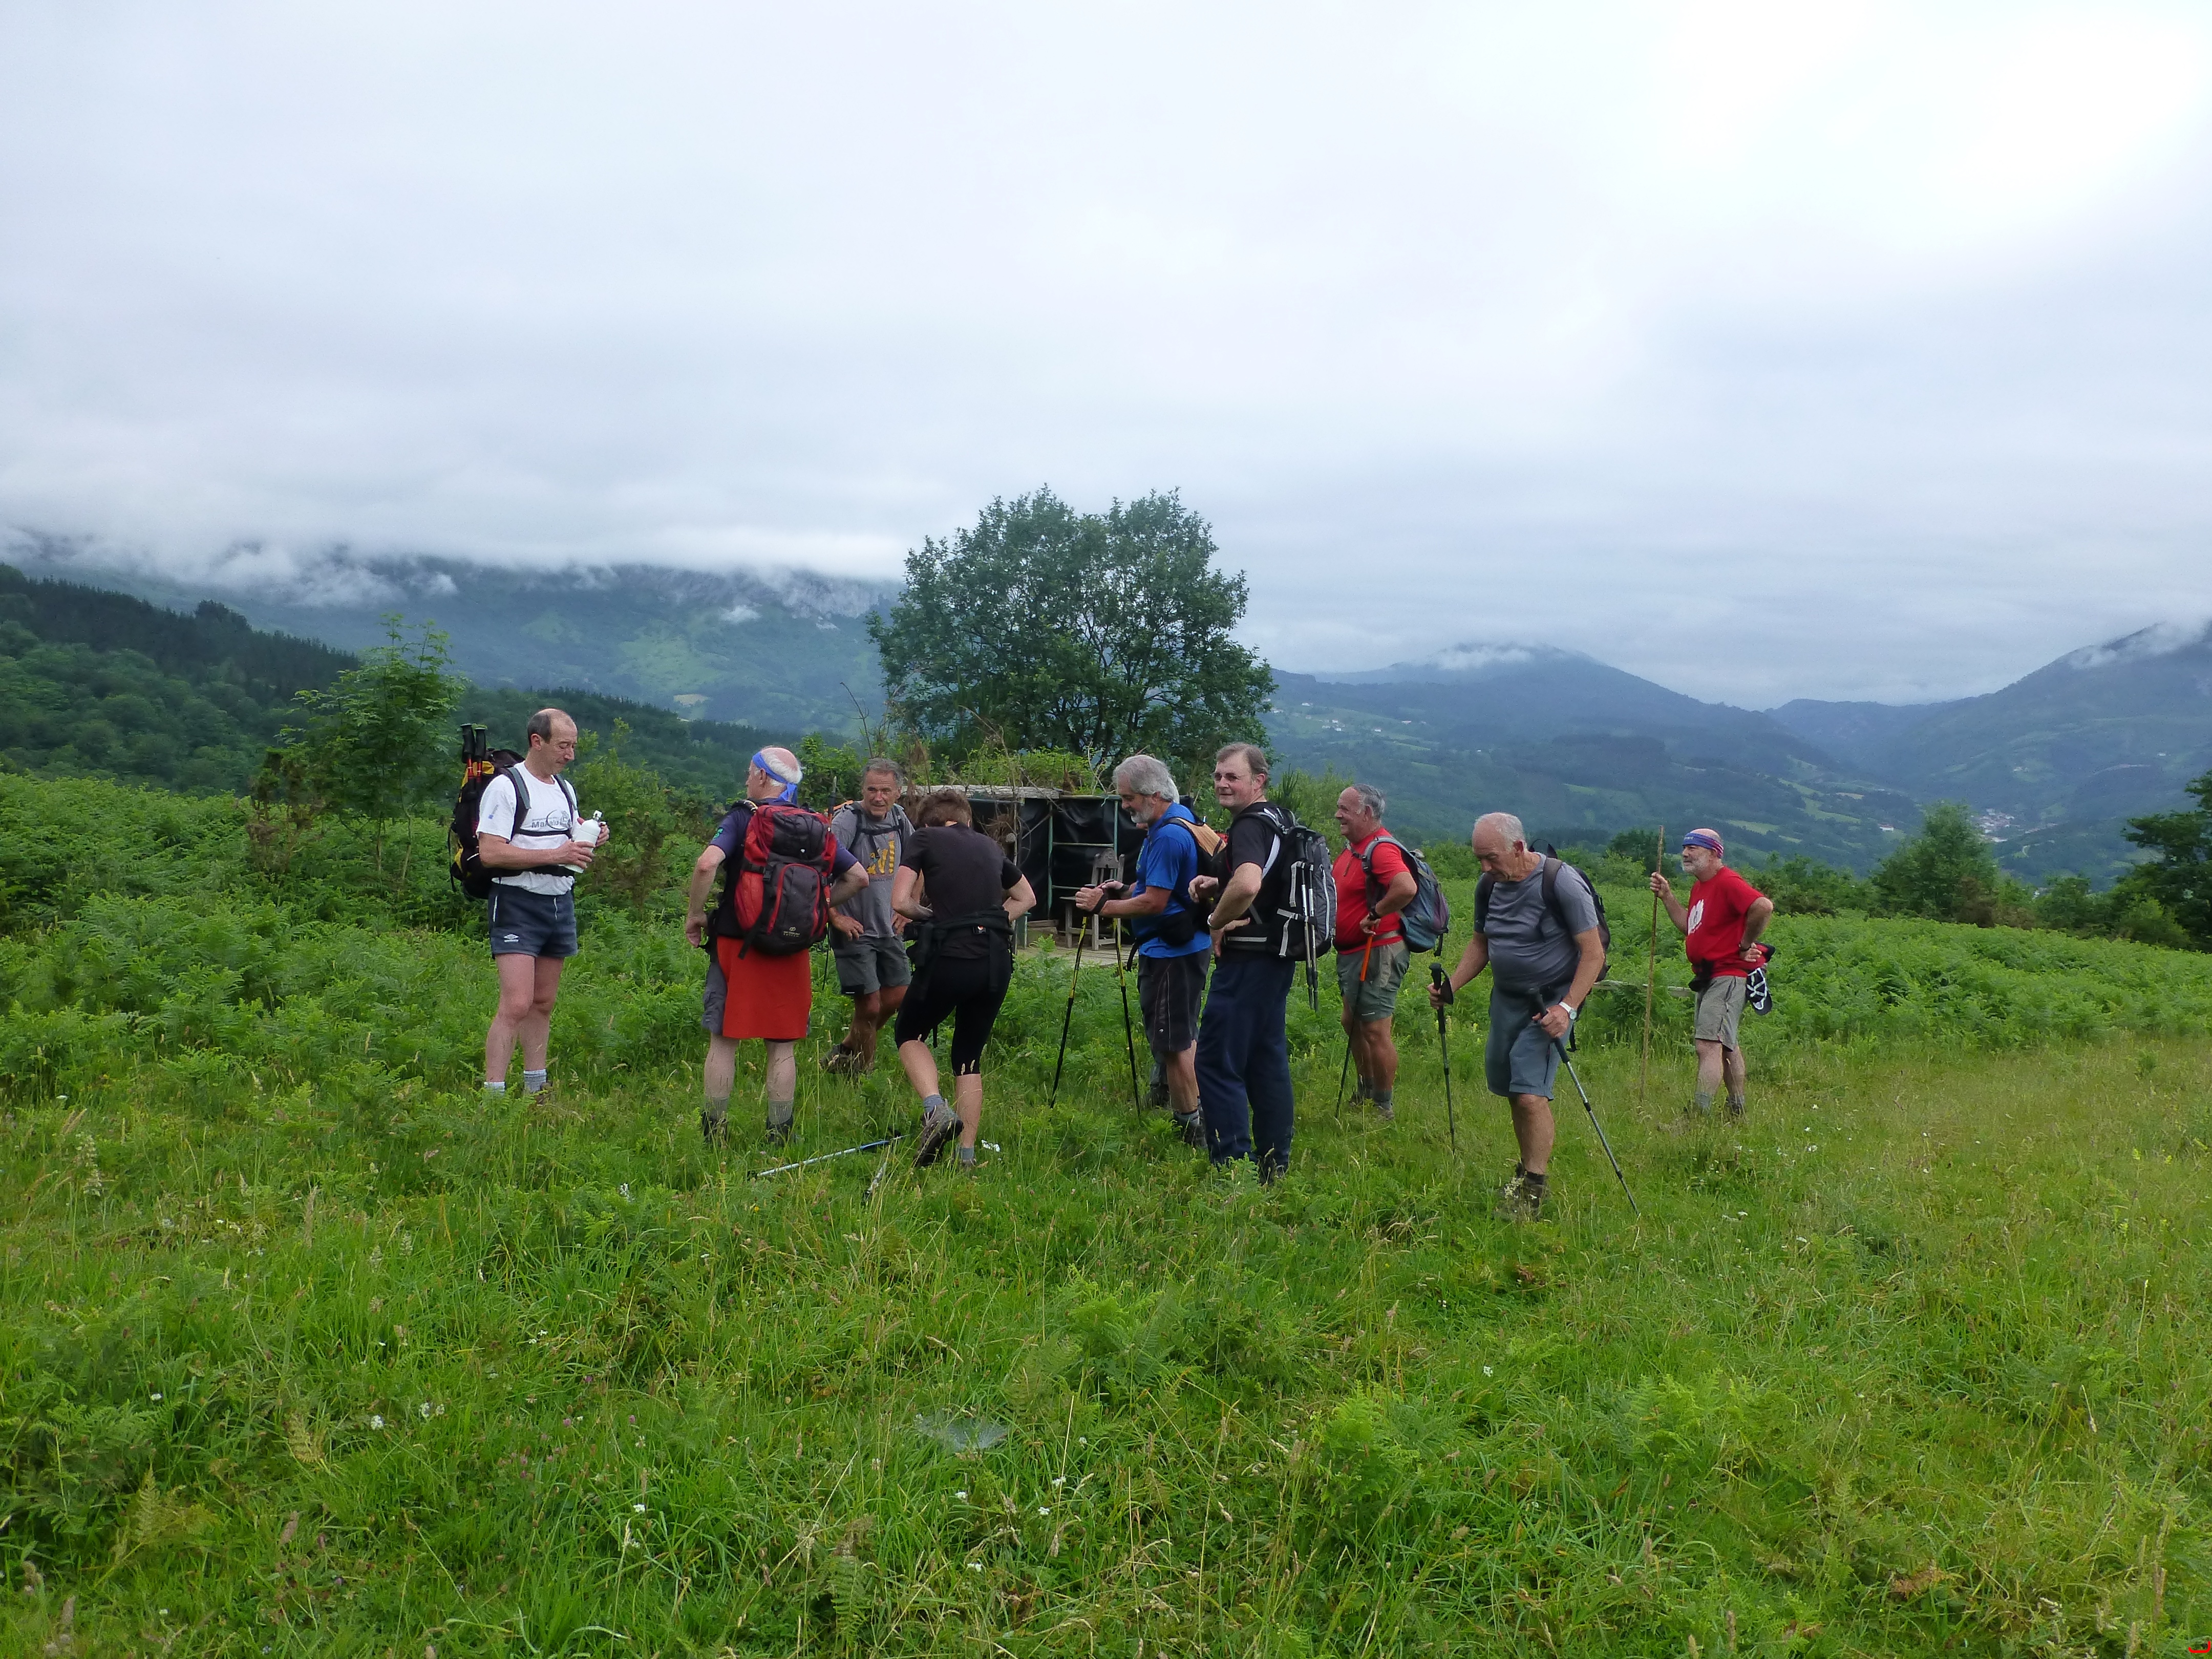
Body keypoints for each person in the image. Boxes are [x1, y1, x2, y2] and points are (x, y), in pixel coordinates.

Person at [685, 748, 869, 1146]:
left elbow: (706, 864)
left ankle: (714, 1133)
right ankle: (780, 1134)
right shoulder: (815, 826)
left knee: (724, 1041)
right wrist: (819, 906)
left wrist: (695, 914)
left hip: (738, 945)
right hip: (792, 948)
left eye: (750, 773)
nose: (746, 780)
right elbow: (858, 877)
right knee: (782, 1046)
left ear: (763, 777)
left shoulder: (743, 817)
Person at [1428, 812, 1606, 1221]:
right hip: (1506, 999)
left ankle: (1534, 1190)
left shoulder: (1561, 882)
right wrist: (1453, 985)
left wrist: (1567, 1009)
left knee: (1529, 1093)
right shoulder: (1489, 885)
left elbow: (1593, 953)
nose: (1484, 867)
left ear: (1519, 848)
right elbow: (1481, 943)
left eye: (1491, 858)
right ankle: (1526, 1171)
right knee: (1513, 1089)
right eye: (1479, 858)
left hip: (1551, 1002)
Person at [891, 788, 1036, 1169]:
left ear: (927, 823)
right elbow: (1026, 898)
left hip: (951, 958)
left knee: (909, 1032)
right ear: (968, 820)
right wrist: (991, 920)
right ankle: (966, 1157)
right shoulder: (990, 846)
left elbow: (900, 902)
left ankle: (935, 1109)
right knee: (969, 1055)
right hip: (995, 961)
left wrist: (934, 917)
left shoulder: (924, 839)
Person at [1076, 754, 1211, 1150]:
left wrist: (1104, 907)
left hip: (1172, 953)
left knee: (1175, 1042)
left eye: (1129, 798)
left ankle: (1192, 1128)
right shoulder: (1176, 821)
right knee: (1181, 1034)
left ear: (1154, 795)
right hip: (1183, 946)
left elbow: (1155, 902)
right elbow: (1153, 885)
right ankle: (1181, 1104)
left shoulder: (1167, 836)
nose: (1125, 806)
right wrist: (1123, 889)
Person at [1186, 742, 1300, 1180]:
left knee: (1215, 1062)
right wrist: (1218, 881)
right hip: (1277, 956)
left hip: (1247, 959)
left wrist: (1215, 919)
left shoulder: (1250, 823)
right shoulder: (1280, 818)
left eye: (1232, 776)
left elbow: (1250, 883)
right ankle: (1275, 1164)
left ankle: (1232, 1169)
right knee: (1265, 1060)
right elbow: (1266, 879)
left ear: (1259, 781)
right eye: (1218, 776)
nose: (1222, 784)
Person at [478, 708, 603, 1099]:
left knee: (543, 1002)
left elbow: (567, 837)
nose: (570, 755)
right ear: (537, 741)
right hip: (516, 901)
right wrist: (555, 854)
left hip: (559, 901)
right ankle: (494, 1096)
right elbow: (490, 853)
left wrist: (591, 836)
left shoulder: (564, 788)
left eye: (573, 746)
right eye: (563, 746)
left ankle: (536, 1089)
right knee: (517, 1003)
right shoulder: (506, 787)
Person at [1649, 827, 1773, 1118]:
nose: (1685, 853)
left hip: (1728, 975)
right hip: (1710, 975)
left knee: (1708, 1045)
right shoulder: (1700, 888)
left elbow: (1763, 906)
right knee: (1726, 1045)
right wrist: (1667, 896)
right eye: (1685, 847)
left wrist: (1745, 944)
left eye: (1693, 848)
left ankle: (1697, 1116)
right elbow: (1689, 927)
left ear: (1714, 853)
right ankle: (1737, 1111)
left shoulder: (1727, 882)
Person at [1331, 781, 1418, 1123]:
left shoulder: (1380, 850)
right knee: (1351, 1022)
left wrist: (1375, 914)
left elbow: (1406, 887)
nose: (1337, 814)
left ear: (1366, 813)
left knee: (1375, 1030)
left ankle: (1383, 1105)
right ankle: (1366, 1091)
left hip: (1378, 951)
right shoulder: (1354, 849)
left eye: (1345, 809)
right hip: (1353, 951)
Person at [822, 759, 914, 1076]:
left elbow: (917, 864)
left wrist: (909, 906)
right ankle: (863, 1075)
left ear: (898, 792)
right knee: (870, 1005)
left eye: (886, 791)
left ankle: (847, 1049)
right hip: (856, 928)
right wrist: (834, 916)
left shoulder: (900, 819)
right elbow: (821, 872)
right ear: (862, 789)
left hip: (890, 926)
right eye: (872, 790)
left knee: (899, 996)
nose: (878, 797)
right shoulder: (847, 822)